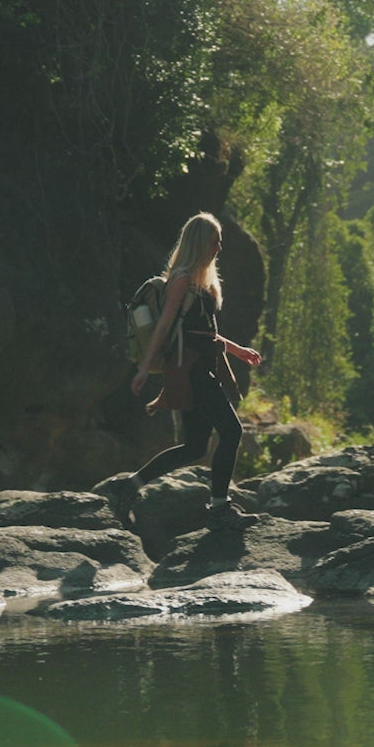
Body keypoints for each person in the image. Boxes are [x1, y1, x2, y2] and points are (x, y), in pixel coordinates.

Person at [107, 212, 262, 527]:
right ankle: (219, 508)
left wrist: (238, 351)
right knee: (232, 431)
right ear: (201, 242)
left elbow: (206, 333)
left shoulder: (203, 284)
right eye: (215, 241)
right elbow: (164, 325)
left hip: (201, 368)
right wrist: (144, 368)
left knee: (195, 447)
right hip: (189, 372)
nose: (219, 248)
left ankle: (127, 487)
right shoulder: (181, 279)